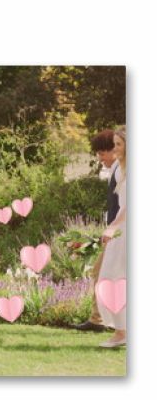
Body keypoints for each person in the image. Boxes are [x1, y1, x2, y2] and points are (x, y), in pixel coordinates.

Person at [73, 129, 120, 332]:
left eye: (102, 153)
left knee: (103, 274)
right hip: (115, 233)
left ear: (115, 150)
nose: (100, 158)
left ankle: (101, 320)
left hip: (120, 234)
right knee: (100, 273)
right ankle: (98, 319)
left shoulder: (122, 171)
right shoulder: (117, 171)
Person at [98, 126, 126, 347]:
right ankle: (121, 331)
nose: (115, 148)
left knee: (115, 275)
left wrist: (112, 227)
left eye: (119, 144)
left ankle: (121, 332)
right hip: (121, 229)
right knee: (111, 277)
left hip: (124, 229)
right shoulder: (121, 169)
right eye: (114, 144)